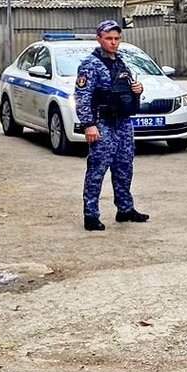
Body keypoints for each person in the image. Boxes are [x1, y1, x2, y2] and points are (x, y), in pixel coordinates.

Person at [75, 20, 149, 231]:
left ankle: (125, 209)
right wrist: (89, 124)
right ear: (99, 39)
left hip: (123, 122)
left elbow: (124, 89)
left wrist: (137, 89)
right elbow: (82, 96)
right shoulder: (90, 64)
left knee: (124, 167)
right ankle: (91, 215)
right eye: (109, 38)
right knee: (97, 169)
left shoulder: (121, 62)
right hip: (102, 122)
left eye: (117, 38)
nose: (113, 42)